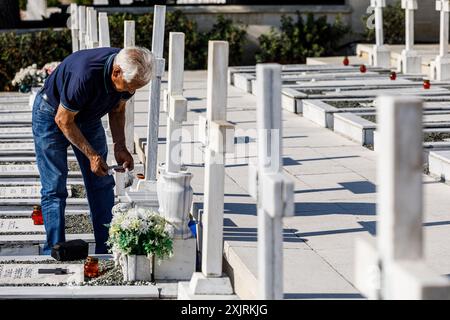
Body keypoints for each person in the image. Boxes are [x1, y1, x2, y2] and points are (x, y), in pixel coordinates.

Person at [32, 46, 154, 254]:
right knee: (54, 186)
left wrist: (120, 145)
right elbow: (63, 120)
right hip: (51, 116)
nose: (128, 91)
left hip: (88, 117)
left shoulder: (130, 72)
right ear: (116, 72)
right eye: (127, 86)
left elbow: (118, 110)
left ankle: (106, 247)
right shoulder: (85, 75)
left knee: (101, 181)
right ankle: (54, 249)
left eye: (133, 89)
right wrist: (92, 155)